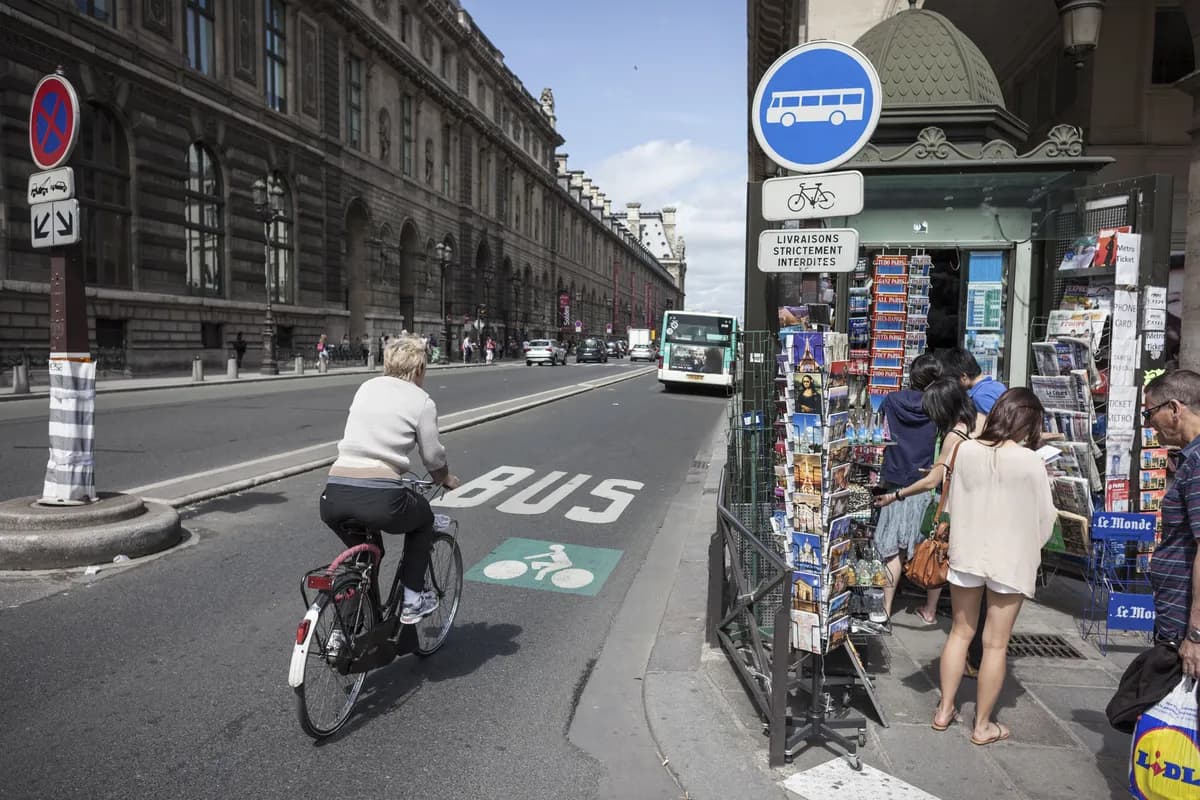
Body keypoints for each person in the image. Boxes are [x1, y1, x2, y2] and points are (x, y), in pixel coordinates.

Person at [931, 388, 1057, 746]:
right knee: (995, 644)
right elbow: (1045, 519)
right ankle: (982, 725)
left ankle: (944, 708)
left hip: (967, 550)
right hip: (1010, 558)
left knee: (960, 632)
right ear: (1029, 422)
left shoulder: (966, 449)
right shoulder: (1031, 461)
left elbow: (953, 503)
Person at [319, 335, 462, 624]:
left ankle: (349, 628)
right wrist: (444, 478)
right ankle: (412, 601)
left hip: (333, 494)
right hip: (381, 497)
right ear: (420, 368)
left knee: (367, 556)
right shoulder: (422, 401)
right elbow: (432, 456)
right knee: (423, 519)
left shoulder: (367, 387)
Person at [876, 378, 977, 625]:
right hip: (967, 508)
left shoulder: (953, 435)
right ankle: (931, 610)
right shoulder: (975, 426)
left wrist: (896, 495)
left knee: (908, 550)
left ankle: (885, 609)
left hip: (944, 504)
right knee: (941, 554)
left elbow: (932, 481)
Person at [869, 354, 942, 624]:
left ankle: (886, 608)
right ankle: (930, 611)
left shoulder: (891, 400)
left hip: (895, 481)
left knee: (891, 550)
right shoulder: (938, 407)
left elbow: (879, 431)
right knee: (933, 547)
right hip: (925, 483)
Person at [1141, 370, 1200, 679]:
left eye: (1150, 413)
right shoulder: (1191, 458)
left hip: (1184, 623)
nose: (1149, 424)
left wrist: (1195, 635)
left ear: (1175, 409)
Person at [941, 348, 1006, 432]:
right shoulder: (997, 385)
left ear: (964, 377)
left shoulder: (979, 397)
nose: (953, 385)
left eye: (953, 380)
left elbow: (997, 426)